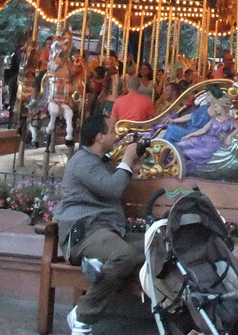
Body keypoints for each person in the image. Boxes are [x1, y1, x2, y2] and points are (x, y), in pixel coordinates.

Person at [54, 115, 143, 335]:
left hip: (108, 232)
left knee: (157, 243)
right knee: (123, 256)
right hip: (84, 232)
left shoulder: (99, 161)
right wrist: (126, 159)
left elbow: (114, 184)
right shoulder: (83, 162)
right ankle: (82, 315)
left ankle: (100, 264)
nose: (116, 136)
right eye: (112, 132)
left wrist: (132, 165)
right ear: (99, 137)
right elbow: (113, 188)